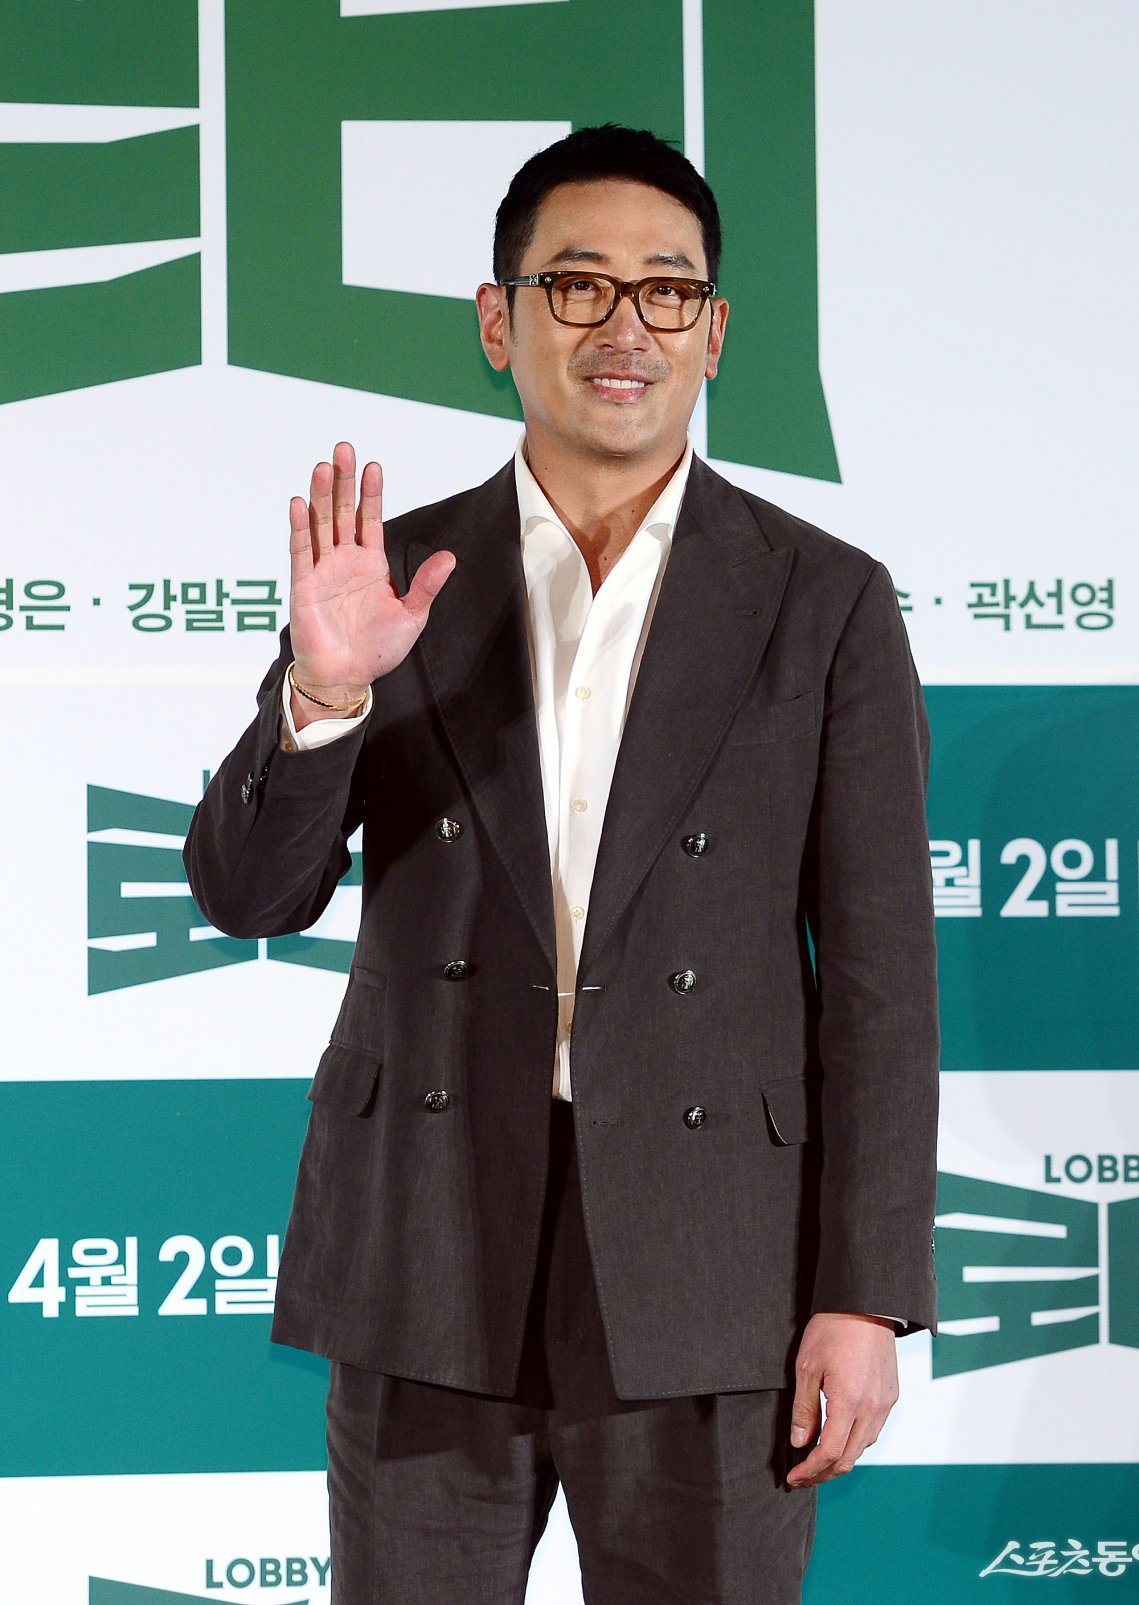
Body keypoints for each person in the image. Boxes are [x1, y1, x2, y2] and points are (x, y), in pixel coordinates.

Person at [184, 123, 939, 1604]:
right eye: (578, 284)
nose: (624, 326)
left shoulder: (823, 599)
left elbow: (880, 983)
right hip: (427, 1245)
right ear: (499, 321)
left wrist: (865, 1294)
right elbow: (248, 893)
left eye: (668, 289)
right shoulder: (392, 580)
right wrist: (325, 691)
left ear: (714, 331)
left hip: (714, 1263)